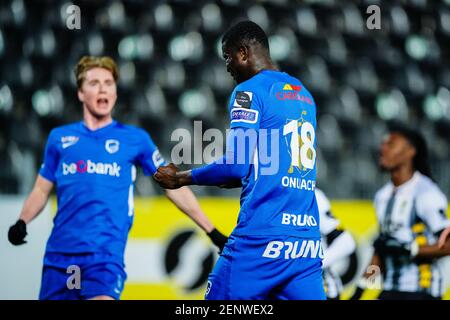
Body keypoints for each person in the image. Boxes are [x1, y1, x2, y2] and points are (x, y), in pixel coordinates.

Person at [7, 56, 228, 300]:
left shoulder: (135, 139)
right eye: (94, 83)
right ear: (81, 93)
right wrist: (22, 222)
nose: (103, 88)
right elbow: (40, 189)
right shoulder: (60, 139)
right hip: (59, 257)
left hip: (104, 257)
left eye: (109, 83)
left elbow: (172, 186)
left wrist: (212, 232)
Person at [154, 21, 325, 300]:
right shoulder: (303, 94)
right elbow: (257, 170)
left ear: (243, 53)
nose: (227, 65)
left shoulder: (249, 92)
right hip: (304, 245)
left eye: (227, 56)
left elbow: (236, 165)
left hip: (261, 240)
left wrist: (181, 178)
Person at [350, 123, 450, 300]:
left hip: (423, 291)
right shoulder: (382, 196)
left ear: (410, 151)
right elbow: (381, 253)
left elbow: (447, 244)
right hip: (391, 289)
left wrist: (410, 249)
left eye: (391, 144)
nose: (383, 148)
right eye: (383, 144)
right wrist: (360, 290)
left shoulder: (426, 192)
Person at [316, 188, 356, 300]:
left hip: (321, 288)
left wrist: (313, 264)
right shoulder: (265, 193)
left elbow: (346, 242)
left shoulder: (312, 194)